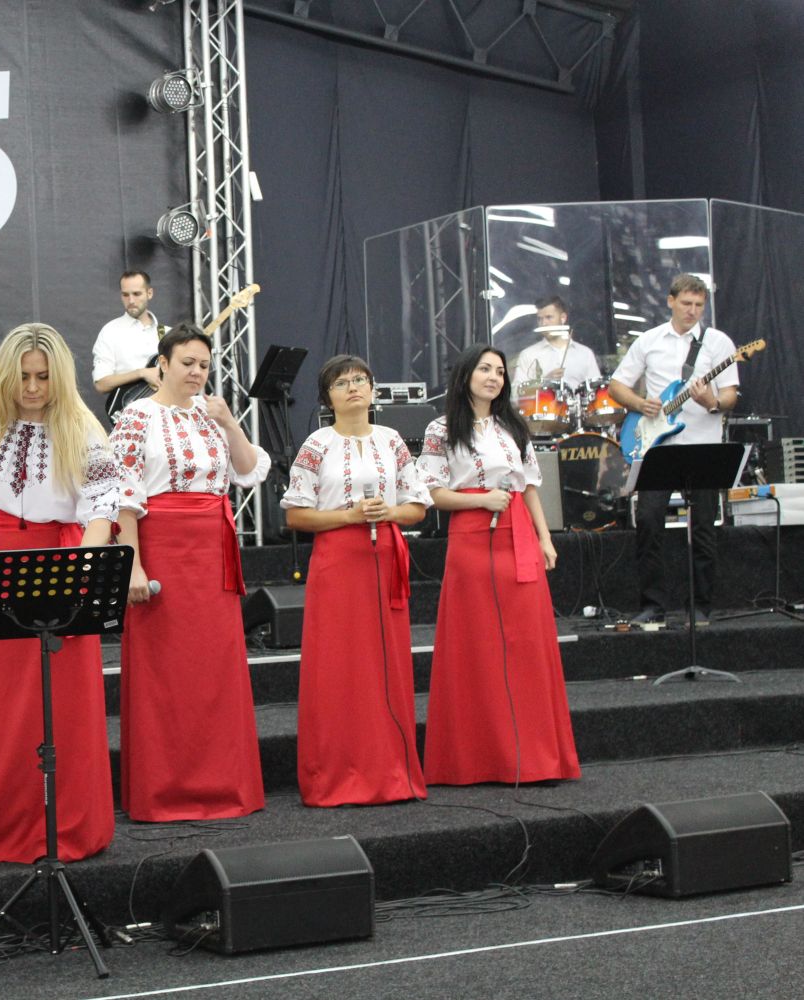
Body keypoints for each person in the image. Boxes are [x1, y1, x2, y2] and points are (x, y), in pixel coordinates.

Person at [0, 323, 121, 862]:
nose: (33, 388)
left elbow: (102, 508)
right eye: (23, 377)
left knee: (61, 705)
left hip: (59, 561)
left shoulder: (82, 426)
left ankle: (63, 827)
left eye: (43, 377)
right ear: (4, 375)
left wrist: (82, 571)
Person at [109, 324, 268, 821]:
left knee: (215, 669)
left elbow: (249, 471)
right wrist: (132, 564)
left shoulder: (211, 412)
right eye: (187, 363)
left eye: (204, 364)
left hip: (212, 550)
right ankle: (165, 791)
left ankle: (223, 785)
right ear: (162, 364)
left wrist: (230, 423)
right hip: (163, 547)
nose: (197, 372)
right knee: (165, 670)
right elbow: (123, 495)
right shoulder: (136, 416)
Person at [415, 345, 580, 786]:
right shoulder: (441, 429)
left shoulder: (512, 426)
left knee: (528, 647)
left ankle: (537, 759)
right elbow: (431, 493)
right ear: (466, 374)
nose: (494, 377)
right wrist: (481, 500)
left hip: (517, 533)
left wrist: (545, 538)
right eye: (485, 369)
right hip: (471, 538)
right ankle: (479, 759)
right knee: (477, 648)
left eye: (500, 372)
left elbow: (529, 488)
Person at [281, 355, 429, 807]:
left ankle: (391, 771)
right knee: (337, 667)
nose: (353, 388)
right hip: (337, 560)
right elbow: (295, 515)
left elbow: (418, 506)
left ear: (373, 389)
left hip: (384, 558)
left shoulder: (391, 440)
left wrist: (391, 512)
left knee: (386, 664)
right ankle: (336, 774)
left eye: (360, 380)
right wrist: (347, 516)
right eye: (341, 383)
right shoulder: (317, 444)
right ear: (327, 397)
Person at [607, 274, 739, 625]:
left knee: (704, 527)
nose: (692, 311)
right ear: (670, 301)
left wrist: (712, 401)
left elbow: (730, 394)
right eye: (686, 304)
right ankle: (653, 605)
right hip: (658, 446)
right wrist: (640, 403)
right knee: (649, 521)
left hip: (703, 445)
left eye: (699, 305)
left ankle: (700, 607)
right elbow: (617, 386)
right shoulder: (649, 341)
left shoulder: (718, 343)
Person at [92, 271, 164, 412]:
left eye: (137, 294)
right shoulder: (110, 331)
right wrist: (141, 373)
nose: (131, 301)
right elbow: (101, 384)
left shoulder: (165, 333)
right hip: (127, 414)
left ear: (149, 293)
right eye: (125, 295)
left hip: (164, 414)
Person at [513, 296, 602, 389]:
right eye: (540, 319)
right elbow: (517, 392)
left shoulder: (585, 354)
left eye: (549, 317)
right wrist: (544, 382)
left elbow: (597, 390)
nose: (543, 323)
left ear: (563, 318)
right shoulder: (528, 355)